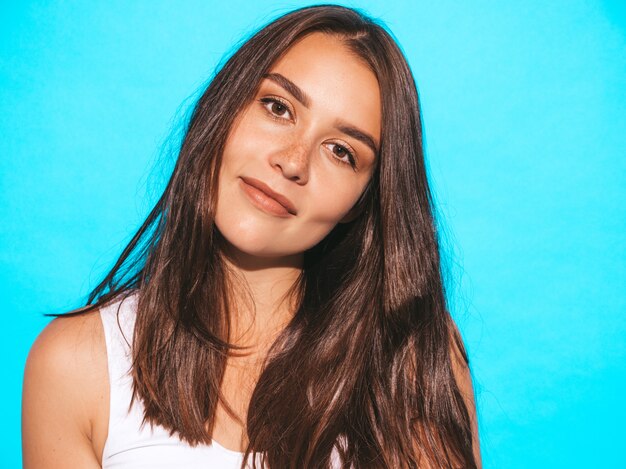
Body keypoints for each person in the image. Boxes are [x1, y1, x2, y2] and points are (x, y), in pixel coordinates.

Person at [22, 5, 481, 468]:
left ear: (362, 202)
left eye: (341, 152)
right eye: (278, 107)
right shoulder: (75, 364)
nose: (293, 161)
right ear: (224, 110)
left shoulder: (414, 359)